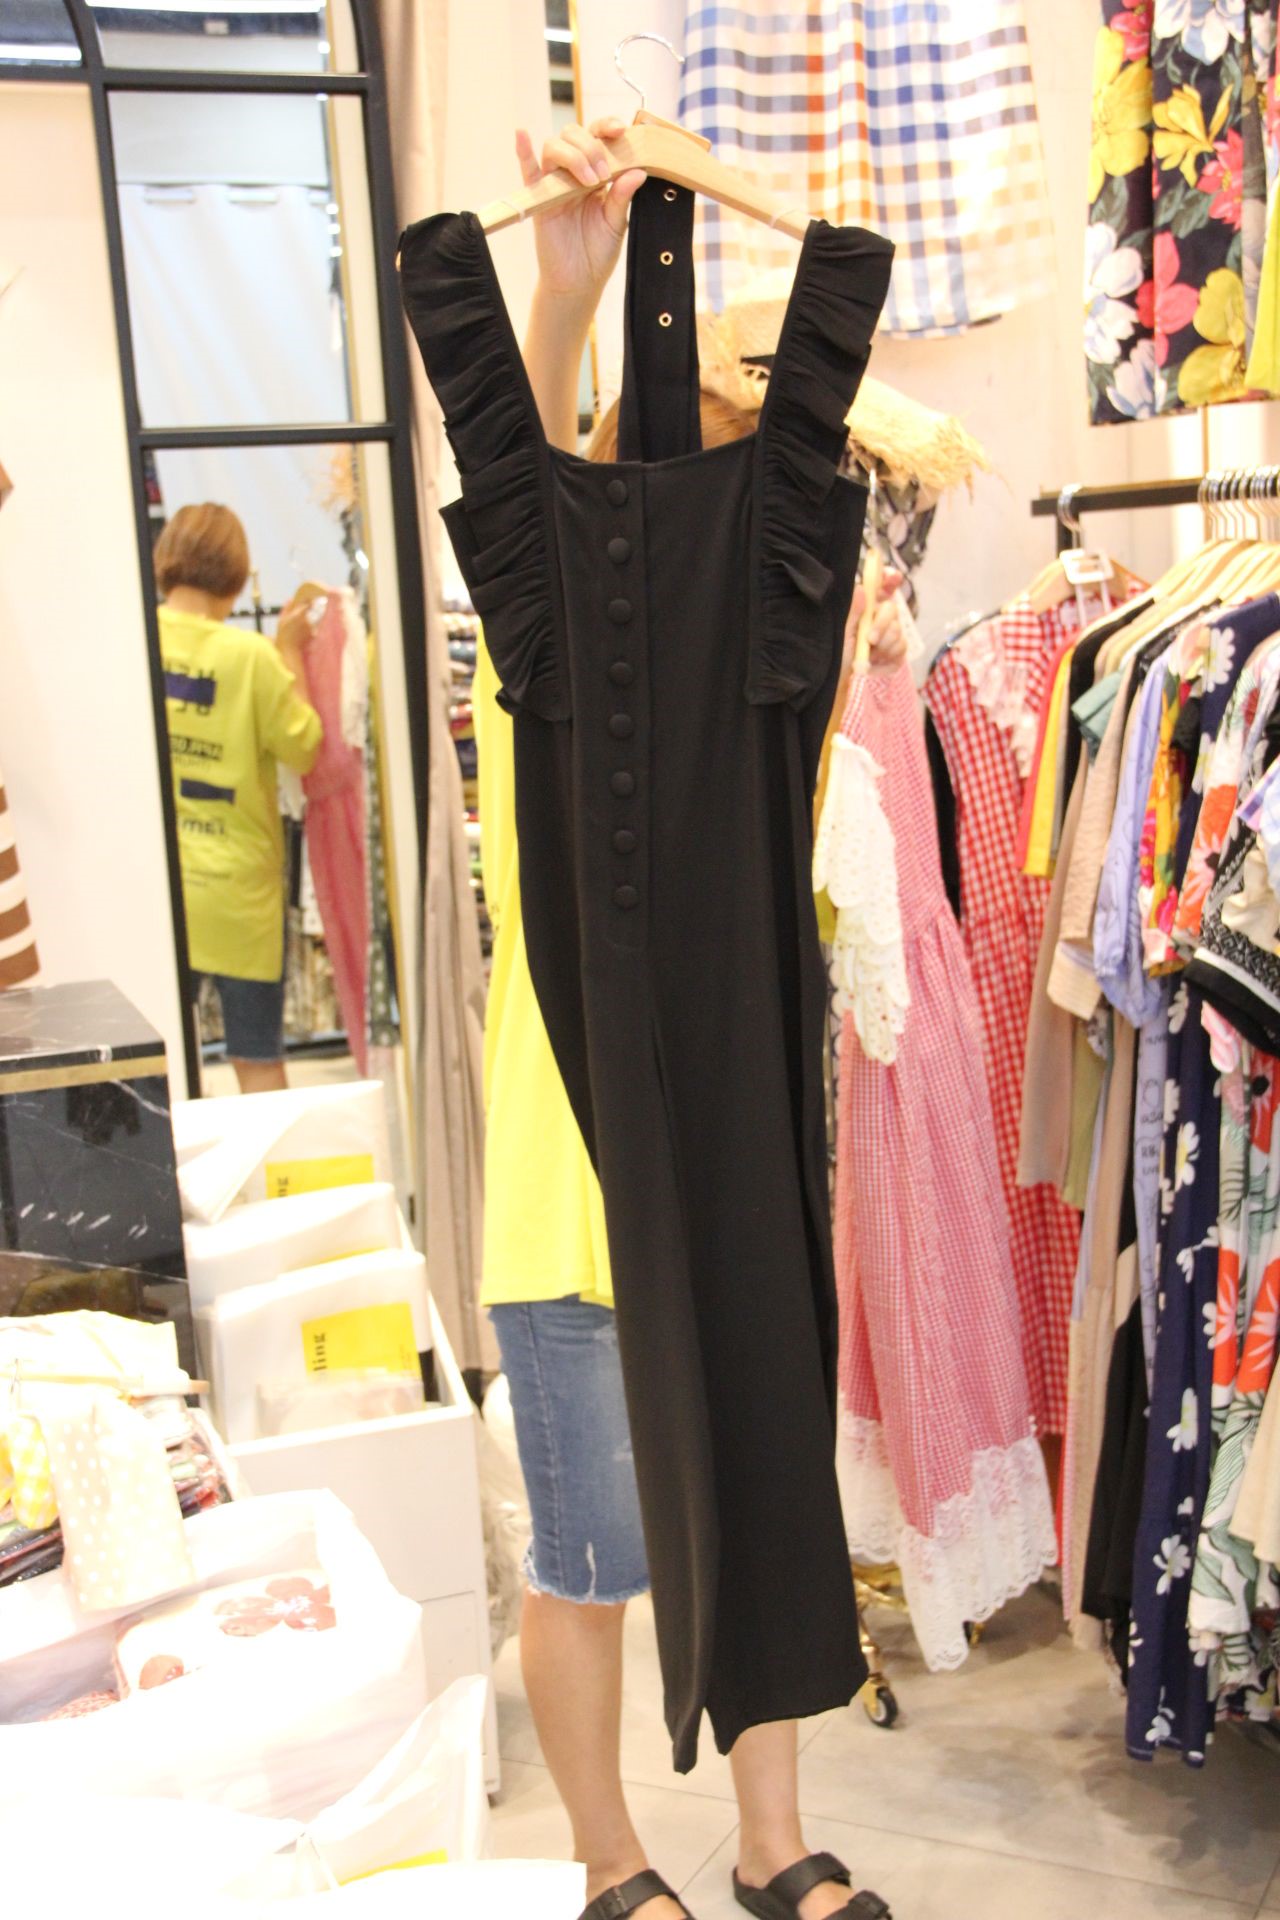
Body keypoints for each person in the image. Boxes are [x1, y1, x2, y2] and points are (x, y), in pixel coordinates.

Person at [479, 121, 907, 1920]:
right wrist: (568, 295)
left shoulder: (771, 671)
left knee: (760, 1488)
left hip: (725, 1154)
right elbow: (519, 481)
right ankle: (608, 1859)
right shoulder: (541, 661)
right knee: (594, 1548)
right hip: (567, 1183)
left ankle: (770, 1841)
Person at [155, 502, 323, 1093]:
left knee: (159, 1067)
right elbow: (305, 746)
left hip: (163, 887)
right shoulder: (250, 657)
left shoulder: (135, 640)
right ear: (232, 573)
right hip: (239, 894)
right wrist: (290, 652)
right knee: (256, 1060)